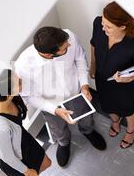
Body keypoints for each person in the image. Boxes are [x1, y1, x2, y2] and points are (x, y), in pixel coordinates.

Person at [15, 27, 106, 168]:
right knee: (57, 128)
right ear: (48, 54)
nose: (69, 45)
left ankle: (88, 131)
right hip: (51, 104)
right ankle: (64, 143)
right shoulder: (23, 66)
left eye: (68, 43)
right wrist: (55, 110)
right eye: (65, 48)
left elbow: (80, 60)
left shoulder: (68, 36)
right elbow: (29, 96)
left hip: (76, 93)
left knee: (87, 118)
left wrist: (84, 86)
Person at [0, 69, 56, 176]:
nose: (21, 82)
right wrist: (26, 171)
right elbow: (6, 156)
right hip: (13, 157)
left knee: (46, 163)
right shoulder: (0, 126)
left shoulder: (6, 96)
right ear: (9, 92)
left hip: (23, 141)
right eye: (18, 82)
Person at [90, 1, 134, 149]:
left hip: (123, 86)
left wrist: (129, 78)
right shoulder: (98, 23)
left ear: (123, 27)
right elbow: (93, 44)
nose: (103, 28)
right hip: (102, 79)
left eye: (108, 27)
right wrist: (93, 65)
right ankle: (115, 122)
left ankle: (131, 131)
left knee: (128, 109)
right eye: (103, 23)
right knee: (107, 105)